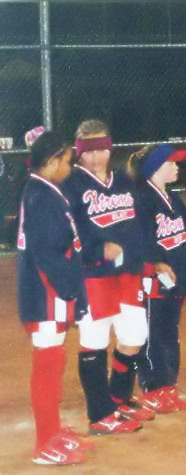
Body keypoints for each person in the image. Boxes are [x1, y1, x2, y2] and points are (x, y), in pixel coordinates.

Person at [62, 119, 149, 434]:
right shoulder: (71, 185)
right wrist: (97, 250)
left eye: (102, 149)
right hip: (94, 275)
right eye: (89, 150)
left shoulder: (123, 181)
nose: (97, 156)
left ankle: (118, 398)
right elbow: (69, 232)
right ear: (79, 152)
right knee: (95, 341)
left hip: (127, 272)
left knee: (134, 337)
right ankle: (100, 415)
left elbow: (138, 223)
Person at [17, 131, 93, 465]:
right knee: (47, 366)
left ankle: (52, 431)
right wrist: (69, 291)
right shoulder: (41, 195)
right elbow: (46, 254)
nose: (70, 166)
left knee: (54, 362)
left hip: (50, 295)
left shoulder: (45, 190)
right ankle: (45, 443)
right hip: (45, 296)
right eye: (66, 161)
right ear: (51, 162)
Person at [128, 144, 186, 412]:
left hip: (174, 278)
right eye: (171, 163)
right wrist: (156, 263)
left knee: (169, 332)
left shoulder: (173, 199)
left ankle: (168, 385)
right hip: (153, 279)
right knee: (152, 333)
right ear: (155, 168)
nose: (177, 167)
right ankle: (153, 388)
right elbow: (142, 240)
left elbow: (185, 237)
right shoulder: (143, 199)